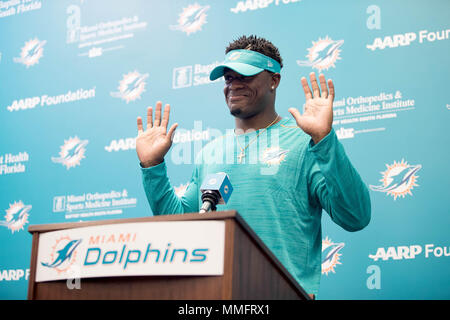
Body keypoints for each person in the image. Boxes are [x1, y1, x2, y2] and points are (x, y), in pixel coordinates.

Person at [135, 35, 371, 297]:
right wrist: (152, 165)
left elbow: (355, 216)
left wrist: (324, 141)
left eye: (245, 76)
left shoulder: (305, 142)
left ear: (274, 80)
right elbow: (181, 231)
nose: (233, 85)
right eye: (228, 78)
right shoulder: (210, 152)